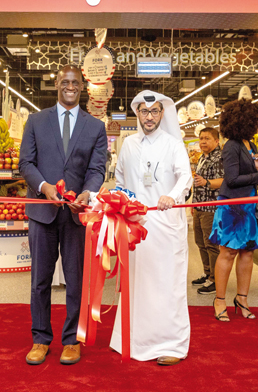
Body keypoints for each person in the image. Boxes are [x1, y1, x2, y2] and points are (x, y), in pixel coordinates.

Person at [19, 65, 108, 366]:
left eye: (75, 83)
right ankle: (40, 338)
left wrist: (88, 193)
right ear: (57, 84)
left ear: (82, 87)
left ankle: (72, 340)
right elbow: (26, 163)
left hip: (76, 216)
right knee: (40, 280)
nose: (70, 86)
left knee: (75, 280)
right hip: (42, 213)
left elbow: (97, 169)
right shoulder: (35, 121)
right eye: (65, 82)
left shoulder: (95, 127)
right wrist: (43, 187)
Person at [111, 90, 193, 366]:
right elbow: (121, 178)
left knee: (166, 284)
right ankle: (133, 338)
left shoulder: (173, 144)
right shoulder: (129, 144)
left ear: (162, 113)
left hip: (166, 224)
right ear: (137, 113)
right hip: (137, 226)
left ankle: (172, 344)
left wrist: (172, 194)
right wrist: (123, 201)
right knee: (138, 281)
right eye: (144, 112)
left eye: (155, 111)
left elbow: (186, 177)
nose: (149, 117)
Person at [210, 99, 258, 322]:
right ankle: (219, 300)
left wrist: (256, 165)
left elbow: (245, 172)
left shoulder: (250, 144)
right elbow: (232, 179)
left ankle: (242, 299)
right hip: (230, 206)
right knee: (227, 252)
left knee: (248, 252)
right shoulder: (231, 146)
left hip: (248, 204)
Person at [191, 127, 223, 294]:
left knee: (211, 244)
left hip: (211, 207)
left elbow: (224, 181)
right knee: (200, 242)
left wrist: (207, 182)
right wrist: (194, 204)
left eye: (207, 138)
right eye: (201, 138)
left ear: (216, 141)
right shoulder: (203, 157)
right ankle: (207, 272)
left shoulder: (219, 158)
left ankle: (216, 280)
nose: (203, 141)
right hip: (199, 206)